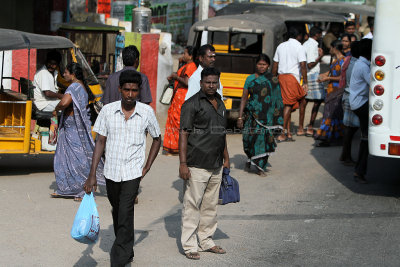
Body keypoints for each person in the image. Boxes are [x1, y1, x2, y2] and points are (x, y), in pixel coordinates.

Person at [84, 70, 161, 266]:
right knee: (118, 211)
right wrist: (92, 175)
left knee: (125, 213)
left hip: (133, 173)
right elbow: (100, 142)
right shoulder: (108, 111)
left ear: (139, 91)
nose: (130, 94)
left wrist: (147, 166)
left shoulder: (146, 113)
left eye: (134, 90)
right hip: (111, 172)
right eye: (126, 89)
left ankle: (118, 259)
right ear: (120, 89)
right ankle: (128, 249)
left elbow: (157, 139)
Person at [179, 67, 230, 260]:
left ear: (218, 83)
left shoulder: (221, 103)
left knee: (210, 206)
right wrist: (183, 163)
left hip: (216, 164)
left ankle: (206, 241)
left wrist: (226, 158)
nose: (211, 85)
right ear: (201, 83)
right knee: (192, 205)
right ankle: (190, 245)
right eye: (207, 82)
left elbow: (221, 133)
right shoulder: (191, 104)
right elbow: (183, 133)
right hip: (196, 164)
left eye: (214, 82)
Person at [50, 62, 104, 201]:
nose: (64, 75)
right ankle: (69, 188)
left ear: (73, 75)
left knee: (78, 157)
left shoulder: (73, 87)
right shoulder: (82, 87)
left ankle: (83, 189)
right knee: (71, 156)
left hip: (72, 128)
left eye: (66, 72)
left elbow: (64, 103)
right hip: (74, 126)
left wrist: (56, 109)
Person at [237, 54, 283, 176]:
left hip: (266, 118)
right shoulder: (250, 79)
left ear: (268, 66)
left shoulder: (273, 80)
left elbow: (277, 99)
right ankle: (251, 157)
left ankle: (260, 167)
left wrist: (277, 118)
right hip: (252, 115)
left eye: (264, 64)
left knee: (262, 141)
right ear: (255, 65)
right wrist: (240, 117)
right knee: (248, 140)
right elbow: (244, 98)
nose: (261, 67)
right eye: (259, 64)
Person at [272, 27, 308, 141]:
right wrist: (305, 82)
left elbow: (275, 65)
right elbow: (303, 65)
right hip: (292, 78)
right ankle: (283, 133)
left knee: (289, 103)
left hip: (281, 77)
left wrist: (273, 79)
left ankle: (288, 133)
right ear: (299, 36)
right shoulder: (300, 47)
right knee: (288, 105)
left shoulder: (281, 46)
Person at [163, 46, 198, 155]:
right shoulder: (188, 66)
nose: (183, 55)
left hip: (182, 97)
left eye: (185, 54)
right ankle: (173, 147)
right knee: (174, 122)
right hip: (178, 97)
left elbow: (187, 82)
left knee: (178, 122)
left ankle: (177, 147)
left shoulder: (191, 67)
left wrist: (175, 76)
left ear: (191, 56)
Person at [349, 39, 373, 183]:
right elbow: (374, 83)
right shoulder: (363, 67)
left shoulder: (360, 63)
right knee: (365, 139)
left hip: (358, 103)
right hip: (361, 104)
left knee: (365, 138)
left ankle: (360, 169)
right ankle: (359, 171)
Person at [314, 40, 346, 147]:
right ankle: (333, 137)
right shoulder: (336, 60)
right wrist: (324, 75)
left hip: (337, 91)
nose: (330, 50)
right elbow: (332, 72)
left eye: (331, 48)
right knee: (331, 114)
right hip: (332, 90)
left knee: (331, 114)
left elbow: (342, 77)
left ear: (334, 48)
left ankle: (327, 138)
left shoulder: (343, 61)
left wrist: (328, 78)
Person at [340, 41, 361, 165]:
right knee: (350, 129)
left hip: (348, 96)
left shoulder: (349, 61)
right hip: (352, 97)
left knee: (350, 128)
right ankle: (345, 156)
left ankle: (345, 154)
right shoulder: (357, 64)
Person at [303, 27, 325, 137]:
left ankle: (302, 127)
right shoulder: (313, 45)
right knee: (318, 99)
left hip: (306, 74)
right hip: (313, 74)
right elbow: (310, 64)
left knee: (305, 100)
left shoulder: (306, 44)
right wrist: (320, 56)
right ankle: (310, 126)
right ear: (317, 34)